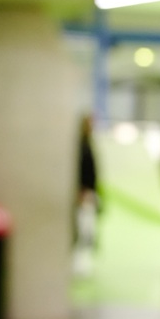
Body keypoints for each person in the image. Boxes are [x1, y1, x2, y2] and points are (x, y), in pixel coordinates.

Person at [73, 114, 99, 276]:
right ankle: (79, 266)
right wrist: (82, 191)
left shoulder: (88, 143)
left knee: (88, 232)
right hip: (84, 194)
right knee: (83, 231)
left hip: (89, 193)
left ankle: (84, 265)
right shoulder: (81, 146)